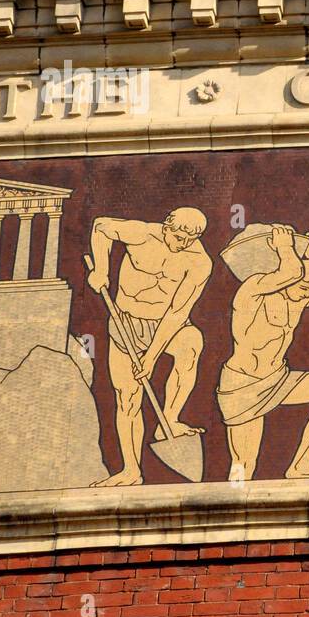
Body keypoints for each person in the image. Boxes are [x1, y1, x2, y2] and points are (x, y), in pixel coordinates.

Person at [88, 207, 212, 487]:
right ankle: (131, 470)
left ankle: (168, 419)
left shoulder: (199, 262)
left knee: (191, 345)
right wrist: (101, 269)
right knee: (128, 399)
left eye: (188, 241)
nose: (181, 244)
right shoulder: (142, 233)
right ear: (167, 225)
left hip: (166, 326)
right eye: (178, 236)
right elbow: (101, 225)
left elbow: (178, 312)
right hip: (125, 323)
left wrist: (152, 356)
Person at [218, 225, 309, 480]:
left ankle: (301, 464)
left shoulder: (297, 299)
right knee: (244, 465)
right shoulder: (253, 291)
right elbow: (290, 271)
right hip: (242, 384)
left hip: (278, 377)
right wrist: (284, 246)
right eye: (307, 282)